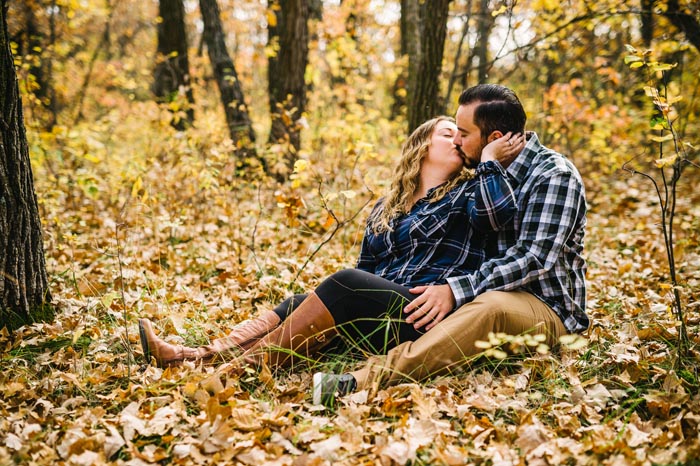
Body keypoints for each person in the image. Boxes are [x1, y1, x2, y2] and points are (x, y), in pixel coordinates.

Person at [139, 116, 524, 370]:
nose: (458, 139)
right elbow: (368, 270)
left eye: (461, 135)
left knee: (344, 282)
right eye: (447, 133)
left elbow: (500, 215)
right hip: (379, 311)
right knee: (301, 302)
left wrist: (488, 159)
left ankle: (238, 372)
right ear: (421, 146)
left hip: (422, 316)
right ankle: (197, 356)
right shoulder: (386, 207)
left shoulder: (471, 193)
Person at [313, 84, 589, 406]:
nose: (456, 141)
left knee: (492, 307)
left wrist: (455, 289)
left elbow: (533, 258)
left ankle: (360, 382)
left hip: (546, 308)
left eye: (463, 133)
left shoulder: (553, 174)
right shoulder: (480, 177)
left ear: (495, 138)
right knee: (479, 304)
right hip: (485, 293)